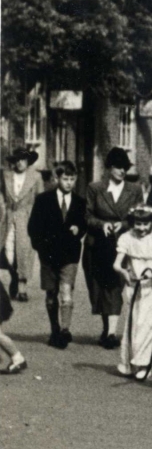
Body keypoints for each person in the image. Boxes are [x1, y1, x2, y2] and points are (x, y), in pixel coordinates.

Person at [84, 147, 152, 349]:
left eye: (126, 167)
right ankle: (107, 329)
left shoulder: (134, 189)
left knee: (114, 285)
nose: (123, 171)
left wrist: (122, 225)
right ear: (109, 167)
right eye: (119, 167)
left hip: (123, 245)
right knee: (99, 287)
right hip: (97, 245)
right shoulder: (95, 188)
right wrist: (101, 224)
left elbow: (140, 215)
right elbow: (87, 215)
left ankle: (112, 332)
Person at [111, 212, 152, 379]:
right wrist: (124, 272)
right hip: (135, 284)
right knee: (135, 323)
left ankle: (145, 364)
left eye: (146, 224)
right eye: (138, 224)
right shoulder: (125, 238)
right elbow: (117, 264)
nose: (142, 228)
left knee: (150, 324)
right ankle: (130, 364)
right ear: (132, 223)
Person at [29, 165, 86, 349]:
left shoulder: (79, 202)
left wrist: (79, 229)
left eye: (72, 179)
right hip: (48, 255)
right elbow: (33, 227)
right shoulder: (43, 200)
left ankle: (65, 330)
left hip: (69, 255)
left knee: (66, 292)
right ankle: (54, 328)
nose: (69, 183)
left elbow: (84, 224)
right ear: (57, 179)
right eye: (65, 179)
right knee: (51, 294)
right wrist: (40, 247)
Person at [2, 145, 39, 303]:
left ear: (28, 161)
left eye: (23, 159)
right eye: (17, 160)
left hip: (27, 217)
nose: (20, 163)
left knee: (24, 252)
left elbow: (40, 200)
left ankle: (22, 288)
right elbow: (2, 197)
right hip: (9, 217)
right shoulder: (6, 176)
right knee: (8, 252)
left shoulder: (35, 178)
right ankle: (14, 276)